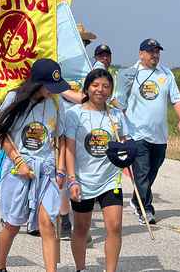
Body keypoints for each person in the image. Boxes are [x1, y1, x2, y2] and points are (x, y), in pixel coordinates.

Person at [0, 58, 69, 272]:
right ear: (37, 83)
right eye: (49, 86)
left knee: (48, 224)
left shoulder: (55, 104)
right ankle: (0, 266)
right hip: (18, 170)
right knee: (12, 225)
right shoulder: (14, 98)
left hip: (46, 170)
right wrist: (18, 161)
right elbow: (3, 136)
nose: (53, 91)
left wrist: (60, 168)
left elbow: (60, 138)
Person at [114, 38, 180, 224]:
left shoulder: (166, 73)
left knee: (152, 171)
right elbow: (119, 103)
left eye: (157, 51)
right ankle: (145, 209)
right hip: (137, 133)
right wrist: (121, 128)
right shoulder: (131, 74)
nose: (155, 55)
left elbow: (176, 99)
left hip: (159, 135)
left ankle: (136, 198)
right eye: (151, 51)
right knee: (142, 172)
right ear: (141, 54)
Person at [65, 69, 131, 272]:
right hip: (83, 180)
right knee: (82, 228)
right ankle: (81, 269)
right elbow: (69, 149)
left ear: (111, 90)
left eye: (105, 86)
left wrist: (128, 154)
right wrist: (72, 180)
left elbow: (125, 142)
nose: (100, 90)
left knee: (115, 227)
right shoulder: (74, 114)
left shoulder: (116, 115)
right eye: (95, 85)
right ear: (87, 88)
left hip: (110, 180)